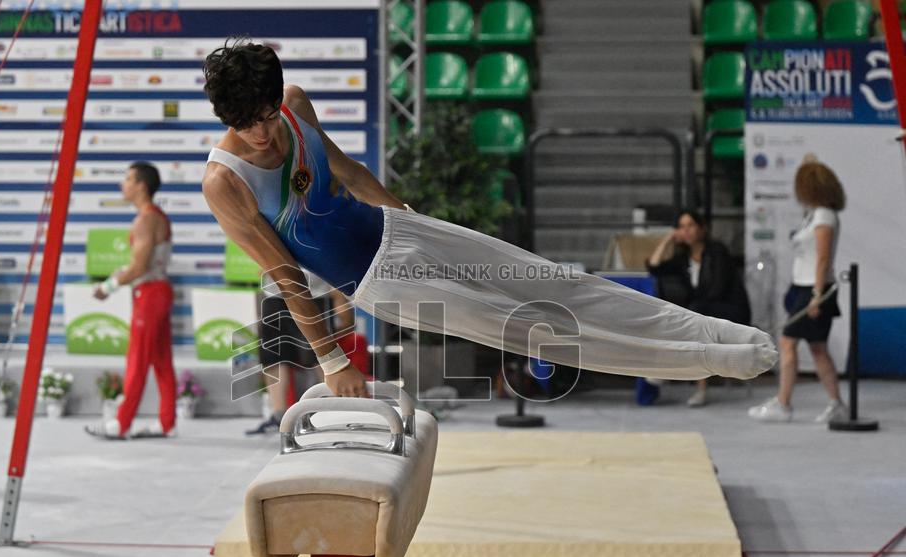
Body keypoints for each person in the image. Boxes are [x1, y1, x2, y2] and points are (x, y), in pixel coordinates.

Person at [200, 39, 777, 400]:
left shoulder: (295, 104)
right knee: (536, 322)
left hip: (401, 232)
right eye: (248, 123)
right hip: (379, 281)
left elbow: (348, 172)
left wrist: (408, 217)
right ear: (228, 119)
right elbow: (286, 274)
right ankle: (707, 360)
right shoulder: (226, 182)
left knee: (556, 281)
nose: (263, 132)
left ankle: (711, 331)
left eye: (269, 115)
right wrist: (332, 360)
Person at [749, 159, 846, 424]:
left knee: (788, 343)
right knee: (817, 349)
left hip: (814, 290)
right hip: (800, 287)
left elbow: (823, 259)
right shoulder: (812, 216)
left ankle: (783, 403)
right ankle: (836, 402)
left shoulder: (825, 216)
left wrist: (816, 296)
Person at [86, 162, 177, 439]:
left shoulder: (146, 220)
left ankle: (120, 424)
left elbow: (139, 268)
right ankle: (166, 422)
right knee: (161, 361)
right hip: (155, 290)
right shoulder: (153, 216)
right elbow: (142, 266)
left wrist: (108, 286)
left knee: (137, 360)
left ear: (141, 185)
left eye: (127, 179)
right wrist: (125, 274)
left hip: (150, 294)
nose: (122, 185)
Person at [646, 210, 750, 407]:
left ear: (702, 228)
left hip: (731, 311)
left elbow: (717, 289)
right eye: (681, 227)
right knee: (693, 323)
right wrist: (669, 239)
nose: (686, 231)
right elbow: (654, 267)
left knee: (694, 316)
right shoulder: (683, 258)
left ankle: (666, 366)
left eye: (690, 225)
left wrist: (689, 312)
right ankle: (698, 388)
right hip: (703, 313)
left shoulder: (717, 251)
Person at [246, 271, 357, 435]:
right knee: (273, 356)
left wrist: (339, 296)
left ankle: (340, 411)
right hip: (276, 291)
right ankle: (279, 416)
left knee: (323, 355)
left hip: (315, 292)